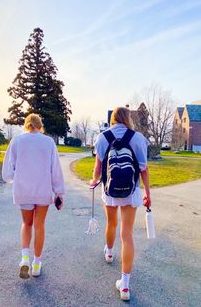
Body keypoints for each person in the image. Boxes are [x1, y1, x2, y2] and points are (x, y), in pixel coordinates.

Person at [90, 106, 151, 301]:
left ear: (113, 119)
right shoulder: (138, 138)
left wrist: (93, 181)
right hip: (131, 191)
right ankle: (124, 285)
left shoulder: (102, 137)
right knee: (127, 235)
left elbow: (98, 168)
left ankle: (109, 252)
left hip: (109, 190)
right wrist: (148, 193)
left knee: (111, 223)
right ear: (128, 119)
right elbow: (144, 169)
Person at [2, 113, 64, 279]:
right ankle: (36, 264)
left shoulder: (17, 141)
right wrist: (59, 192)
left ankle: (24, 258)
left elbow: (9, 167)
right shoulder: (48, 142)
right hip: (43, 190)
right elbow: (55, 169)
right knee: (39, 225)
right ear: (40, 125)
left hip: (23, 190)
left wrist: (12, 179)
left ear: (26, 124)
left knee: (26, 224)